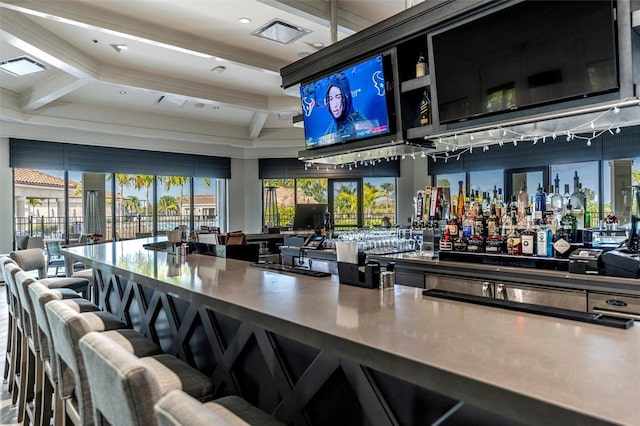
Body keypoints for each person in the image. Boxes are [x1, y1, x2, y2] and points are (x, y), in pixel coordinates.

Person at [324, 73, 369, 142]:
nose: (334, 104)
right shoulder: (329, 131)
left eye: (338, 97)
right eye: (330, 99)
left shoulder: (362, 124)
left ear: (346, 97)